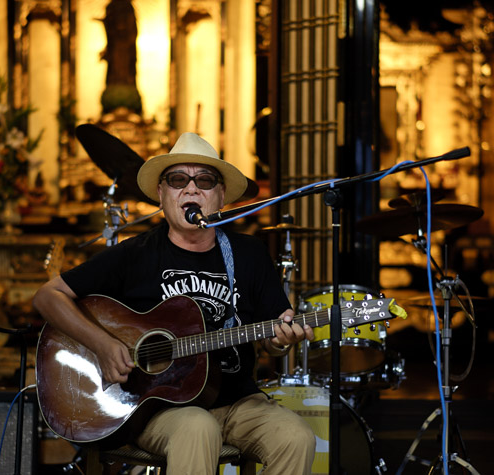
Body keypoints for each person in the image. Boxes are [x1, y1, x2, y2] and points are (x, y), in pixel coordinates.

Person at [33, 132, 316, 474]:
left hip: (239, 403)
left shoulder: (250, 254)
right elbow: (48, 296)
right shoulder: (135, 255)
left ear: (221, 196)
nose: (191, 189)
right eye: (178, 179)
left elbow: (275, 338)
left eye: (206, 181)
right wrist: (104, 345)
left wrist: (281, 341)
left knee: (296, 437)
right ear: (161, 193)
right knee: (198, 427)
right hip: (158, 411)